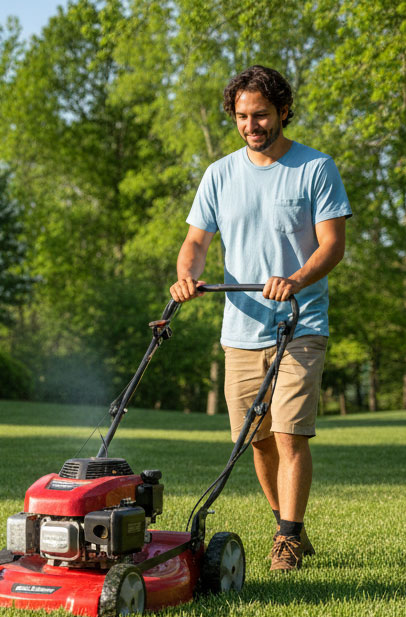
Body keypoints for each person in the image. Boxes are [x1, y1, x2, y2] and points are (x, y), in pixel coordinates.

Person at [170, 65, 351, 572]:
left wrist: (295, 279)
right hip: (241, 328)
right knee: (258, 438)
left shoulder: (316, 168)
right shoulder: (219, 174)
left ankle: (288, 540)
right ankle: (284, 523)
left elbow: (333, 245)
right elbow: (195, 244)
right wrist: (187, 276)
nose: (252, 125)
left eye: (262, 115)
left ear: (284, 111)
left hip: (299, 321)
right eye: (242, 116)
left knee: (291, 431)